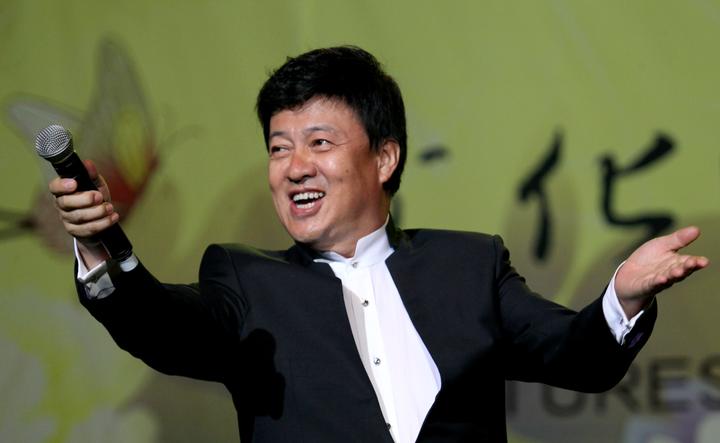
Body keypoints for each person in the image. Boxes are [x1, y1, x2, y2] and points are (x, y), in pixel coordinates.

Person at [50, 46, 709, 443]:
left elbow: (577, 356)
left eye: (319, 142)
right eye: (278, 148)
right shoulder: (247, 280)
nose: (294, 167)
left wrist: (623, 296)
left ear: (385, 157)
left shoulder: (469, 265)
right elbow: (164, 326)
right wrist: (101, 245)